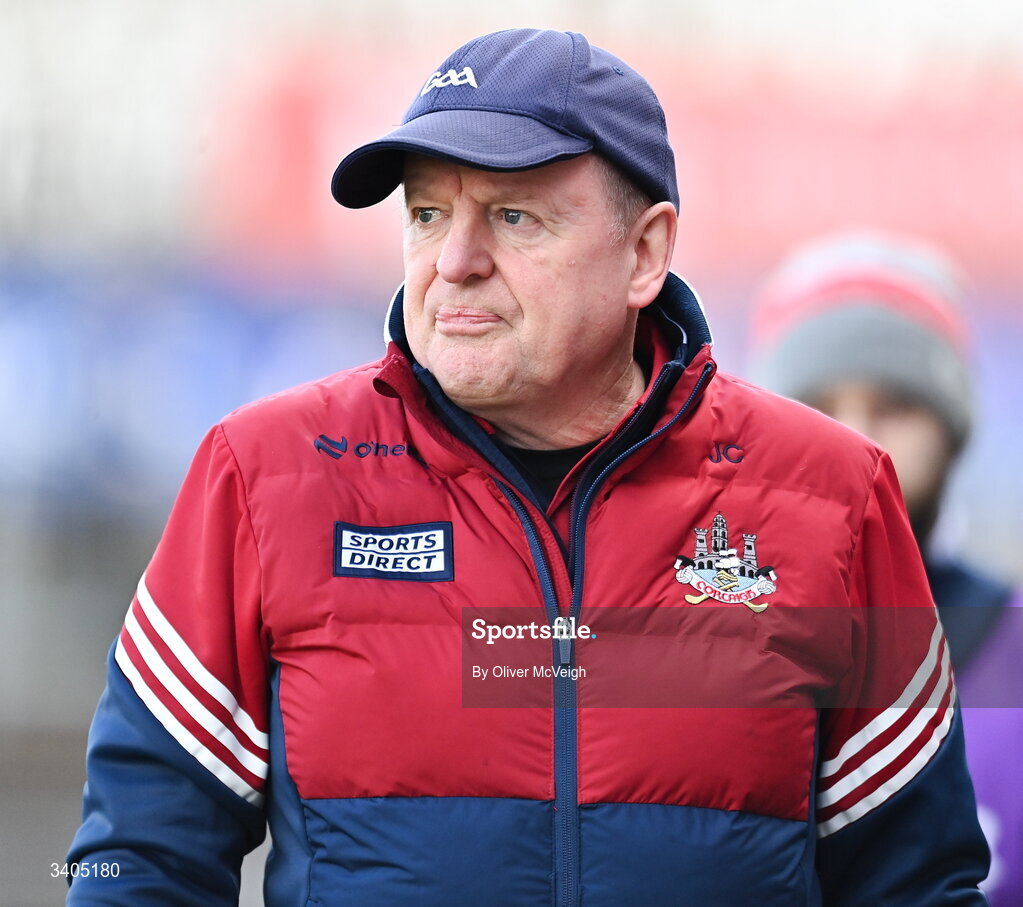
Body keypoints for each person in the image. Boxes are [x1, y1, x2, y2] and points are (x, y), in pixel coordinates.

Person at [67, 29, 990, 905]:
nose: (453, 261)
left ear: (644, 253)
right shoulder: (264, 474)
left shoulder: (835, 495)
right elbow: (134, 858)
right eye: (427, 214)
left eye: (513, 217)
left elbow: (916, 881)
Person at [749, 230, 1023, 905]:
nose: (856, 439)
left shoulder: (1009, 644)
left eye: (894, 406)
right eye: (817, 409)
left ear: (951, 430)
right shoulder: (691, 646)